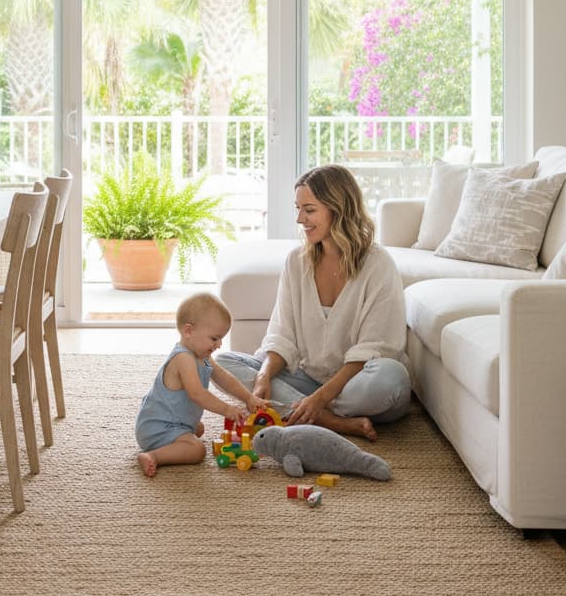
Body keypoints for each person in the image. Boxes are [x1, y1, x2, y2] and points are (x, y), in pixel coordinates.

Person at [216, 164, 411, 442]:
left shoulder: (378, 265)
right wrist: (262, 378)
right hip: (308, 380)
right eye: (298, 208)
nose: (299, 219)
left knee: (391, 378)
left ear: (338, 209)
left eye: (309, 210)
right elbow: (282, 335)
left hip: (359, 386)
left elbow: (377, 348)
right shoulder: (297, 262)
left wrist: (320, 398)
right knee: (221, 363)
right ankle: (332, 422)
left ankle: (302, 409)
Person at [135, 292, 268, 477]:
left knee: (198, 428)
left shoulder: (203, 358)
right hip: (157, 427)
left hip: (175, 423)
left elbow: (223, 377)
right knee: (197, 450)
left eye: (221, 338)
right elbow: (197, 394)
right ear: (188, 331)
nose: (219, 344)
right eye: (214, 338)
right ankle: (153, 455)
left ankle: (181, 436)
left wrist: (248, 397)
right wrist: (227, 409)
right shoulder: (183, 358)